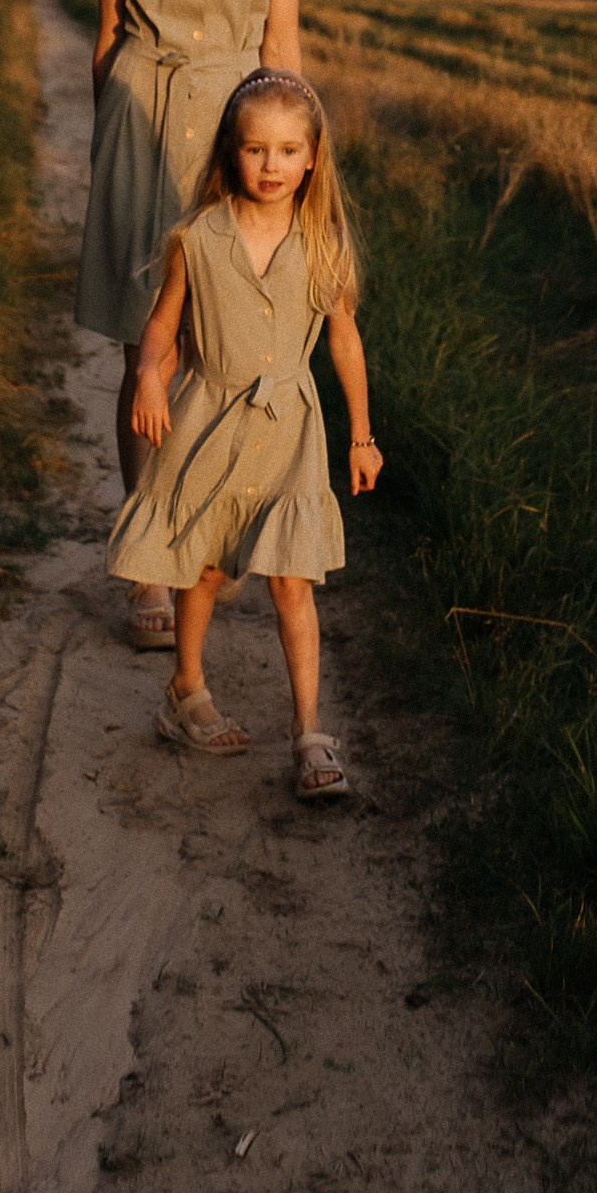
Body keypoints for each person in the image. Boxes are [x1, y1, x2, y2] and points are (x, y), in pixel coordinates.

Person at [76, 0, 305, 647]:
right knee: (145, 348)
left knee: (223, 345)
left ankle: (205, 541)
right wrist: (109, 140)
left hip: (232, 128)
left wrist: (291, 160)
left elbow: (281, 42)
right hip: (139, 118)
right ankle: (146, 570)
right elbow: (105, 35)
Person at [108, 68, 382, 800]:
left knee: (294, 581)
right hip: (211, 421)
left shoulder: (322, 242)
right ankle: (186, 692)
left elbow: (344, 341)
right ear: (232, 152)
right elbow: (162, 324)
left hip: (291, 429)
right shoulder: (198, 238)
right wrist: (147, 377)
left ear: (313, 157)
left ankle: (309, 734)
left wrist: (361, 434)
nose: (271, 166)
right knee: (203, 566)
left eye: (288, 151)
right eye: (256, 150)